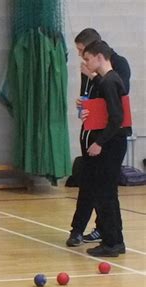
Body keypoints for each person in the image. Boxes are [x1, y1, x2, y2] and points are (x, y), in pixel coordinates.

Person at [66, 28, 131, 247]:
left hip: (108, 138)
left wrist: (100, 142)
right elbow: (94, 100)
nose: (81, 59)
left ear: (97, 54)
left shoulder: (112, 74)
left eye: (84, 53)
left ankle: (111, 240)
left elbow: (117, 110)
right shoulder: (99, 76)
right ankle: (112, 238)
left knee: (104, 190)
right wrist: (84, 109)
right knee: (101, 189)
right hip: (95, 133)